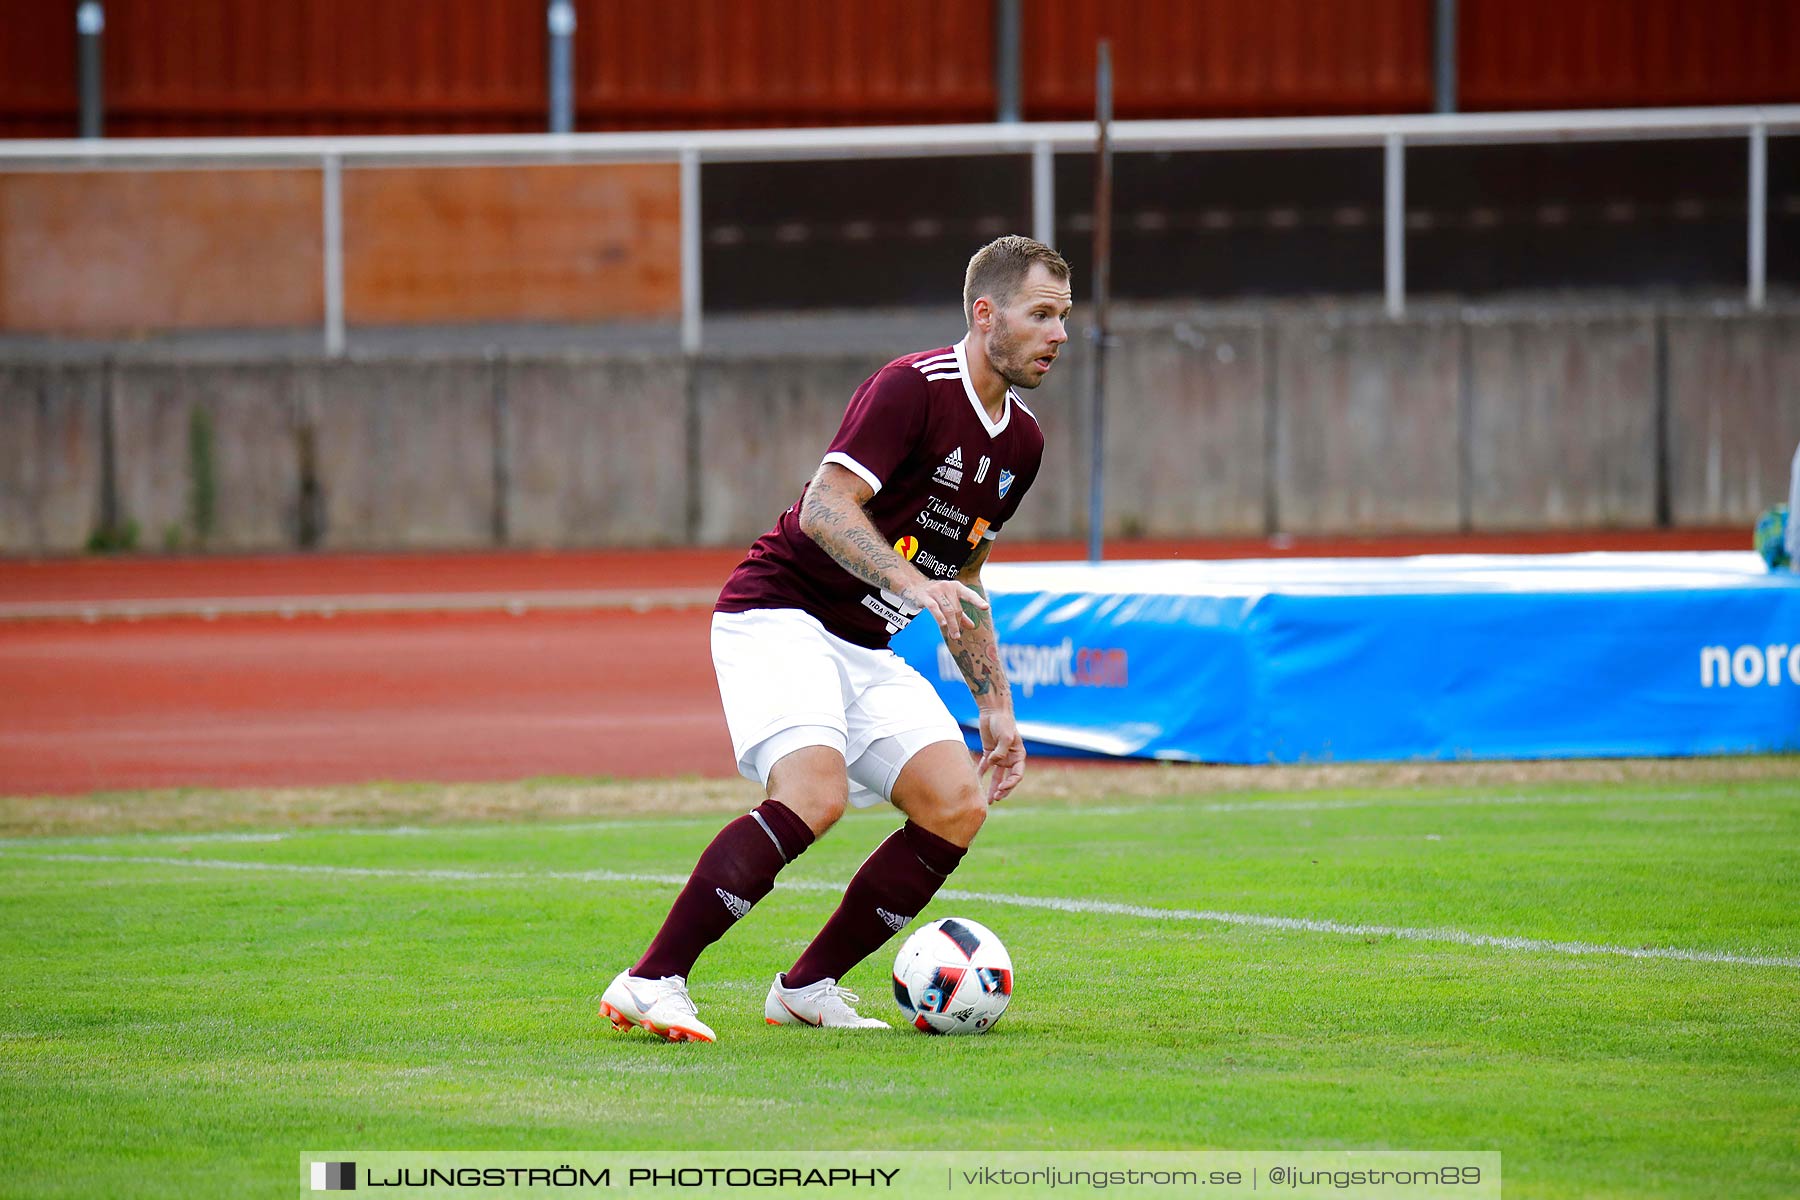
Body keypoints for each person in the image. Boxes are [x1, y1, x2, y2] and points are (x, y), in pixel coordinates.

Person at [600, 235, 1073, 1041]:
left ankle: (806, 986)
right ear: (985, 313)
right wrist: (909, 580)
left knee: (957, 805)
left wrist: (996, 706)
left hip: (863, 646)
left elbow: (971, 580)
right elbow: (824, 507)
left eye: (1064, 317)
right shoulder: (910, 388)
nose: (1059, 334)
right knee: (813, 798)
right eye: (1042, 315)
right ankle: (652, 979)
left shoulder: (1021, 443)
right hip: (779, 614)